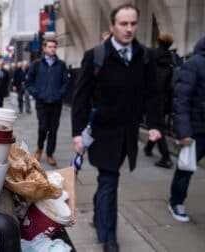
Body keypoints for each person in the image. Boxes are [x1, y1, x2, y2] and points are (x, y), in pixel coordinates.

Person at [71, 4, 162, 252]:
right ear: (112, 26)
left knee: (106, 181)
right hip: (102, 133)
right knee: (110, 180)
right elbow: (80, 97)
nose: (129, 28)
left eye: (133, 23)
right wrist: (77, 133)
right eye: (123, 24)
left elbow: (153, 93)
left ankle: (99, 215)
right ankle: (108, 237)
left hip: (128, 134)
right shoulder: (96, 56)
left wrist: (154, 124)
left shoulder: (145, 56)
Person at [169, 36, 205, 223]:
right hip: (197, 129)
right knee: (186, 168)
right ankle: (176, 202)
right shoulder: (194, 64)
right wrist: (184, 132)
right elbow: (181, 99)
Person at [26, 39, 70, 165]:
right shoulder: (36, 64)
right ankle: (39, 148)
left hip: (56, 103)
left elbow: (66, 82)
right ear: (44, 48)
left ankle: (50, 154)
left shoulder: (61, 65)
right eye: (50, 47)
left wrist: (60, 94)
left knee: (53, 130)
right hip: (42, 102)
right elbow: (29, 83)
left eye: (54, 47)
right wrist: (37, 94)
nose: (52, 49)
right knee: (43, 127)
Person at [143, 33, 177, 168]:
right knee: (156, 124)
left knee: (157, 127)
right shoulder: (172, 58)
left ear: (158, 42)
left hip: (151, 96)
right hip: (164, 97)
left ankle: (166, 157)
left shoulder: (151, 55)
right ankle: (149, 147)